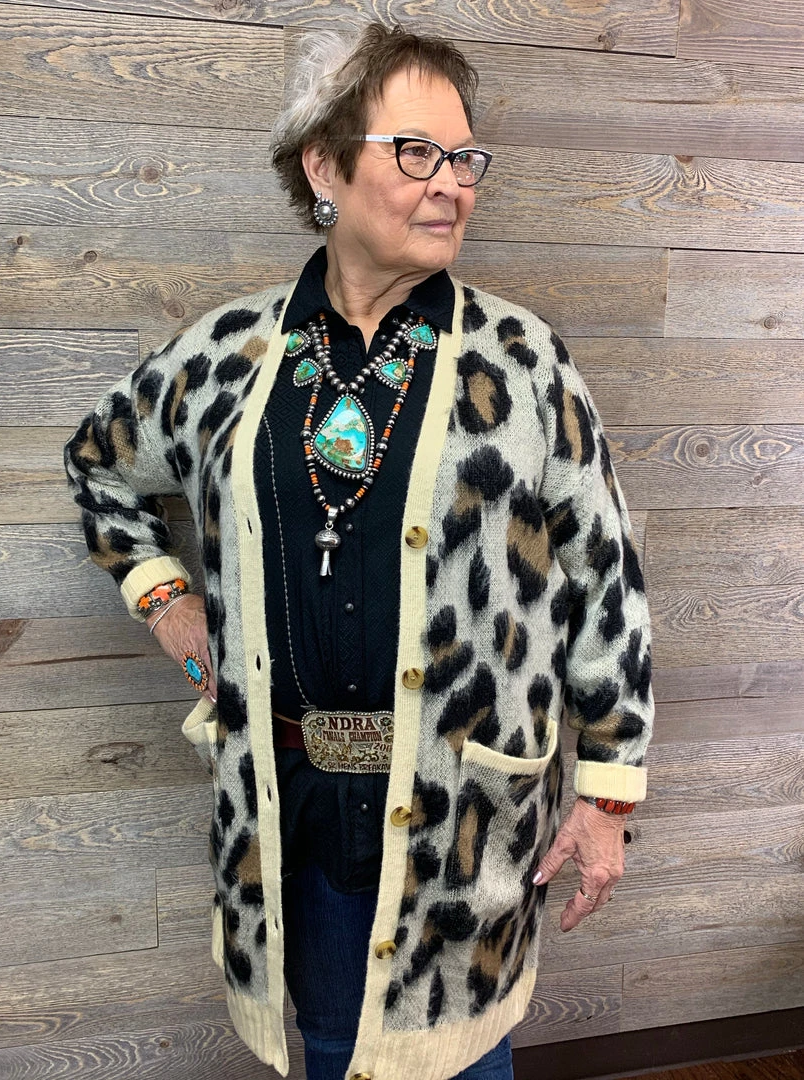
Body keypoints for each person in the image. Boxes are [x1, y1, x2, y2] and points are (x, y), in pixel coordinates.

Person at [64, 22, 654, 1080]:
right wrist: (165, 601)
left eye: (464, 158)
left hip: (463, 824)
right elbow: (99, 462)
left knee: (465, 1061)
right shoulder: (228, 358)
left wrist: (608, 799)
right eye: (416, 152)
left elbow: (606, 586)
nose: (452, 184)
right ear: (325, 167)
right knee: (336, 1049)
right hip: (292, 811)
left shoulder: (522, 362)